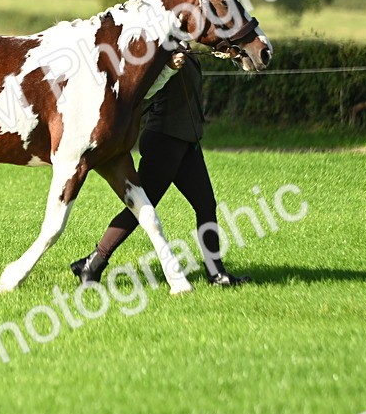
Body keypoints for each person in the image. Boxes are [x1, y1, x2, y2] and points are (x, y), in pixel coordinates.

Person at [70, 48, 251, 287]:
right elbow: (142, 91)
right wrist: (167, 68)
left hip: (186, 141)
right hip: (164, 140)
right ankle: (94, 262)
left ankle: (216, 273)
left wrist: (226, 51)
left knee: (206, 204)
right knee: (142, 208)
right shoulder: (159, 50)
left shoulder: (187, 48)